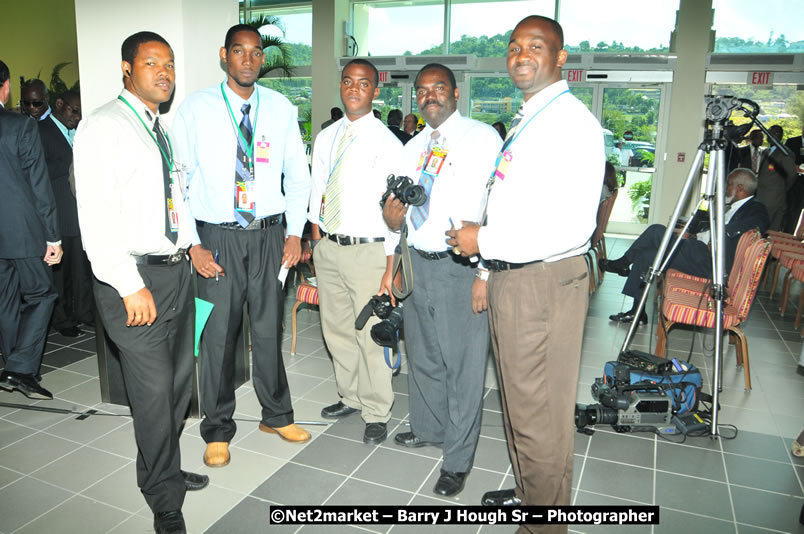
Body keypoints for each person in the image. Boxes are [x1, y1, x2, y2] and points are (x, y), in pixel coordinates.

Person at [446, 16, 604, 530]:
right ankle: (534, 490)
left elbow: (570, 225)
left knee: (539, 415)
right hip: (516, 276)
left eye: (535, 46)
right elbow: (521, 206)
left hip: (542, 282)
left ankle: (544, 522)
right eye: (514, 47)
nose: (521, 55)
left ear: (561, 58)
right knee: (520, 405)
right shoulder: (533, 117)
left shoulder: (570, 123)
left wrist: (482, 242)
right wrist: (489, 268)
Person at [73, 31, 208, 534]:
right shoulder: (105, 126)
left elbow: (172, 201)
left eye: (169, 63)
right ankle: (163, 498)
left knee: (174, 388)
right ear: (127, 70)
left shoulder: (158, 128)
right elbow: (96, 218)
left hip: (174, 273)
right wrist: (130, 284)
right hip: (133, 278)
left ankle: (162, 469)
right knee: (152, 394)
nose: (165, 71)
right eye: (152, 63)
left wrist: (190, 247)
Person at [172, 24, 312, 468]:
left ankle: (277, 414)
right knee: (217, 336)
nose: (248, 60)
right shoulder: (196, 108)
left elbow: (299, 173)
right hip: (217, 238)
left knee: (270, 329)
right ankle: (217, 429)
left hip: (271, 237)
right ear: (224, 56)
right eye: (239, 51)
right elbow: (178, 179)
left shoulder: (281, 107)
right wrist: (192, 243)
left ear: (262, 60)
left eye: (255, 53)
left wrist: (295, 231)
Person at [382, 63, 501, 497]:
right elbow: (397, 208)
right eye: (423, 91)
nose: (430, 96)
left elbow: (495, 209)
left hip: (461, 268)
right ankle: (428, 428)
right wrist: (391, 226)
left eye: (439, 88)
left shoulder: (483, 138)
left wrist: (485, 273)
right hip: (417, 260)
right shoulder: (411, 146)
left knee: (464, 367)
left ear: (455, 93)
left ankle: (457, 459)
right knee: (425, 356)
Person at [309, 58, 402, 445]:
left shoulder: (389, 143)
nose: (353, 89)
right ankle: (348, 395)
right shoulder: (326, 137)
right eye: (348, 81)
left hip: (369, 252)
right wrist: (316, 237)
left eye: (363, 83)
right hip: (329, 248)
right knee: (337, 330)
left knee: (370, 335)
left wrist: (389, 267)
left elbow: (397, 211)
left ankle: (377, 409)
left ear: (375, 91)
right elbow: (319, 190)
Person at [602, 169, 769, 324]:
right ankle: (637, 312)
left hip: (710, 261)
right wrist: (692, 232)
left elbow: (759, 223)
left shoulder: (755, 207)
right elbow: (706, 221)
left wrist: (719, 237)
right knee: (647, 255)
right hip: (698, 251)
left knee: (656, 231)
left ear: (740, 187)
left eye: (729, 184)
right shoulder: (730, 206)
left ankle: (622, 263)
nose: (725, 187)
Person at [0, 59, 62, 401]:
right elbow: (40, 186)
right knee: (42, 294)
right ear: (6, 87)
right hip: (23, 231)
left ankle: (15, 367)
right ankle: (20, 369)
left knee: (5, 302)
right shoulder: (20, 126)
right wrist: (53, 236)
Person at [39, 90, 93, 338]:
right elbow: (39, 174)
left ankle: (83, 313)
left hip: (80, 213)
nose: (78, 116)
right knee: (60, 273)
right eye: (74, 110)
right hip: (58, 214)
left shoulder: (81, 132)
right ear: (59, 104)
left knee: (80, 269)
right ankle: (61, 319)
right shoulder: (41, 131)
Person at [755, 125, 798, 231]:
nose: (771, 135)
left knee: (769, 231)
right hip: (760, 195)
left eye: (775, 133)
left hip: (774, 198)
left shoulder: (784, 153)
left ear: (781, 136)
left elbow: (792, 174)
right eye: (770, 132)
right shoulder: (766, 151)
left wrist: (782, 187)